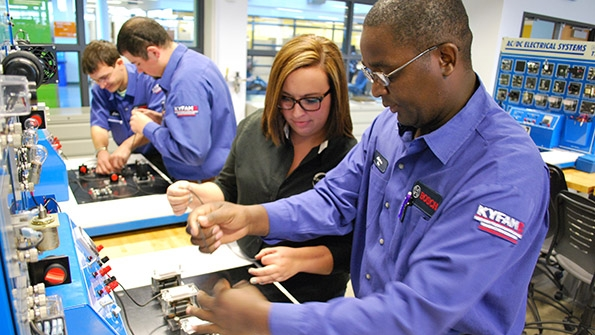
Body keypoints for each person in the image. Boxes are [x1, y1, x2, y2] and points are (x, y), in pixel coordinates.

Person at [183, 0, 550, 334]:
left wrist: (266, 320)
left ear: (446, 59)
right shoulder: (390, 127)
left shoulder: (504, 174)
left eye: (386, 74)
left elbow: (417, 312)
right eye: (369, 72)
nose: (375, 90)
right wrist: (252, 217)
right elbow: (333, 198)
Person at [166, 34, 356, 303]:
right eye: (286, 99)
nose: (297, 113)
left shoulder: (349, 158)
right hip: (245, 271)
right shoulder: (256, 128)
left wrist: (300, 259)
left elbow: (353, 250)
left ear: (335, 96)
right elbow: (228, 187)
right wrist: (195, 194)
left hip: (309, 295)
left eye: (311, 100)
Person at [116, 17, 237, 182]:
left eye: (137, 63)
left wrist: (147, 128)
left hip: (202, 182)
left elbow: (192, 152)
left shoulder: (185, 82)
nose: (138, 71)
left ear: (153, 52)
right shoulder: (194, 63)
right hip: (210, 176)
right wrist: (163, 120)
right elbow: (201, 125)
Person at [82, 40, 166, 175]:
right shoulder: (100, 89)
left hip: (158, 155)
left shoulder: (149, 79)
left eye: (105, 77)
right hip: (128, 157)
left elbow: (157, 123)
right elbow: (99, 125)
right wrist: (101, 151)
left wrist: (127, 146)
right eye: (96, 80)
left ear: (119, 63)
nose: (102, 85)